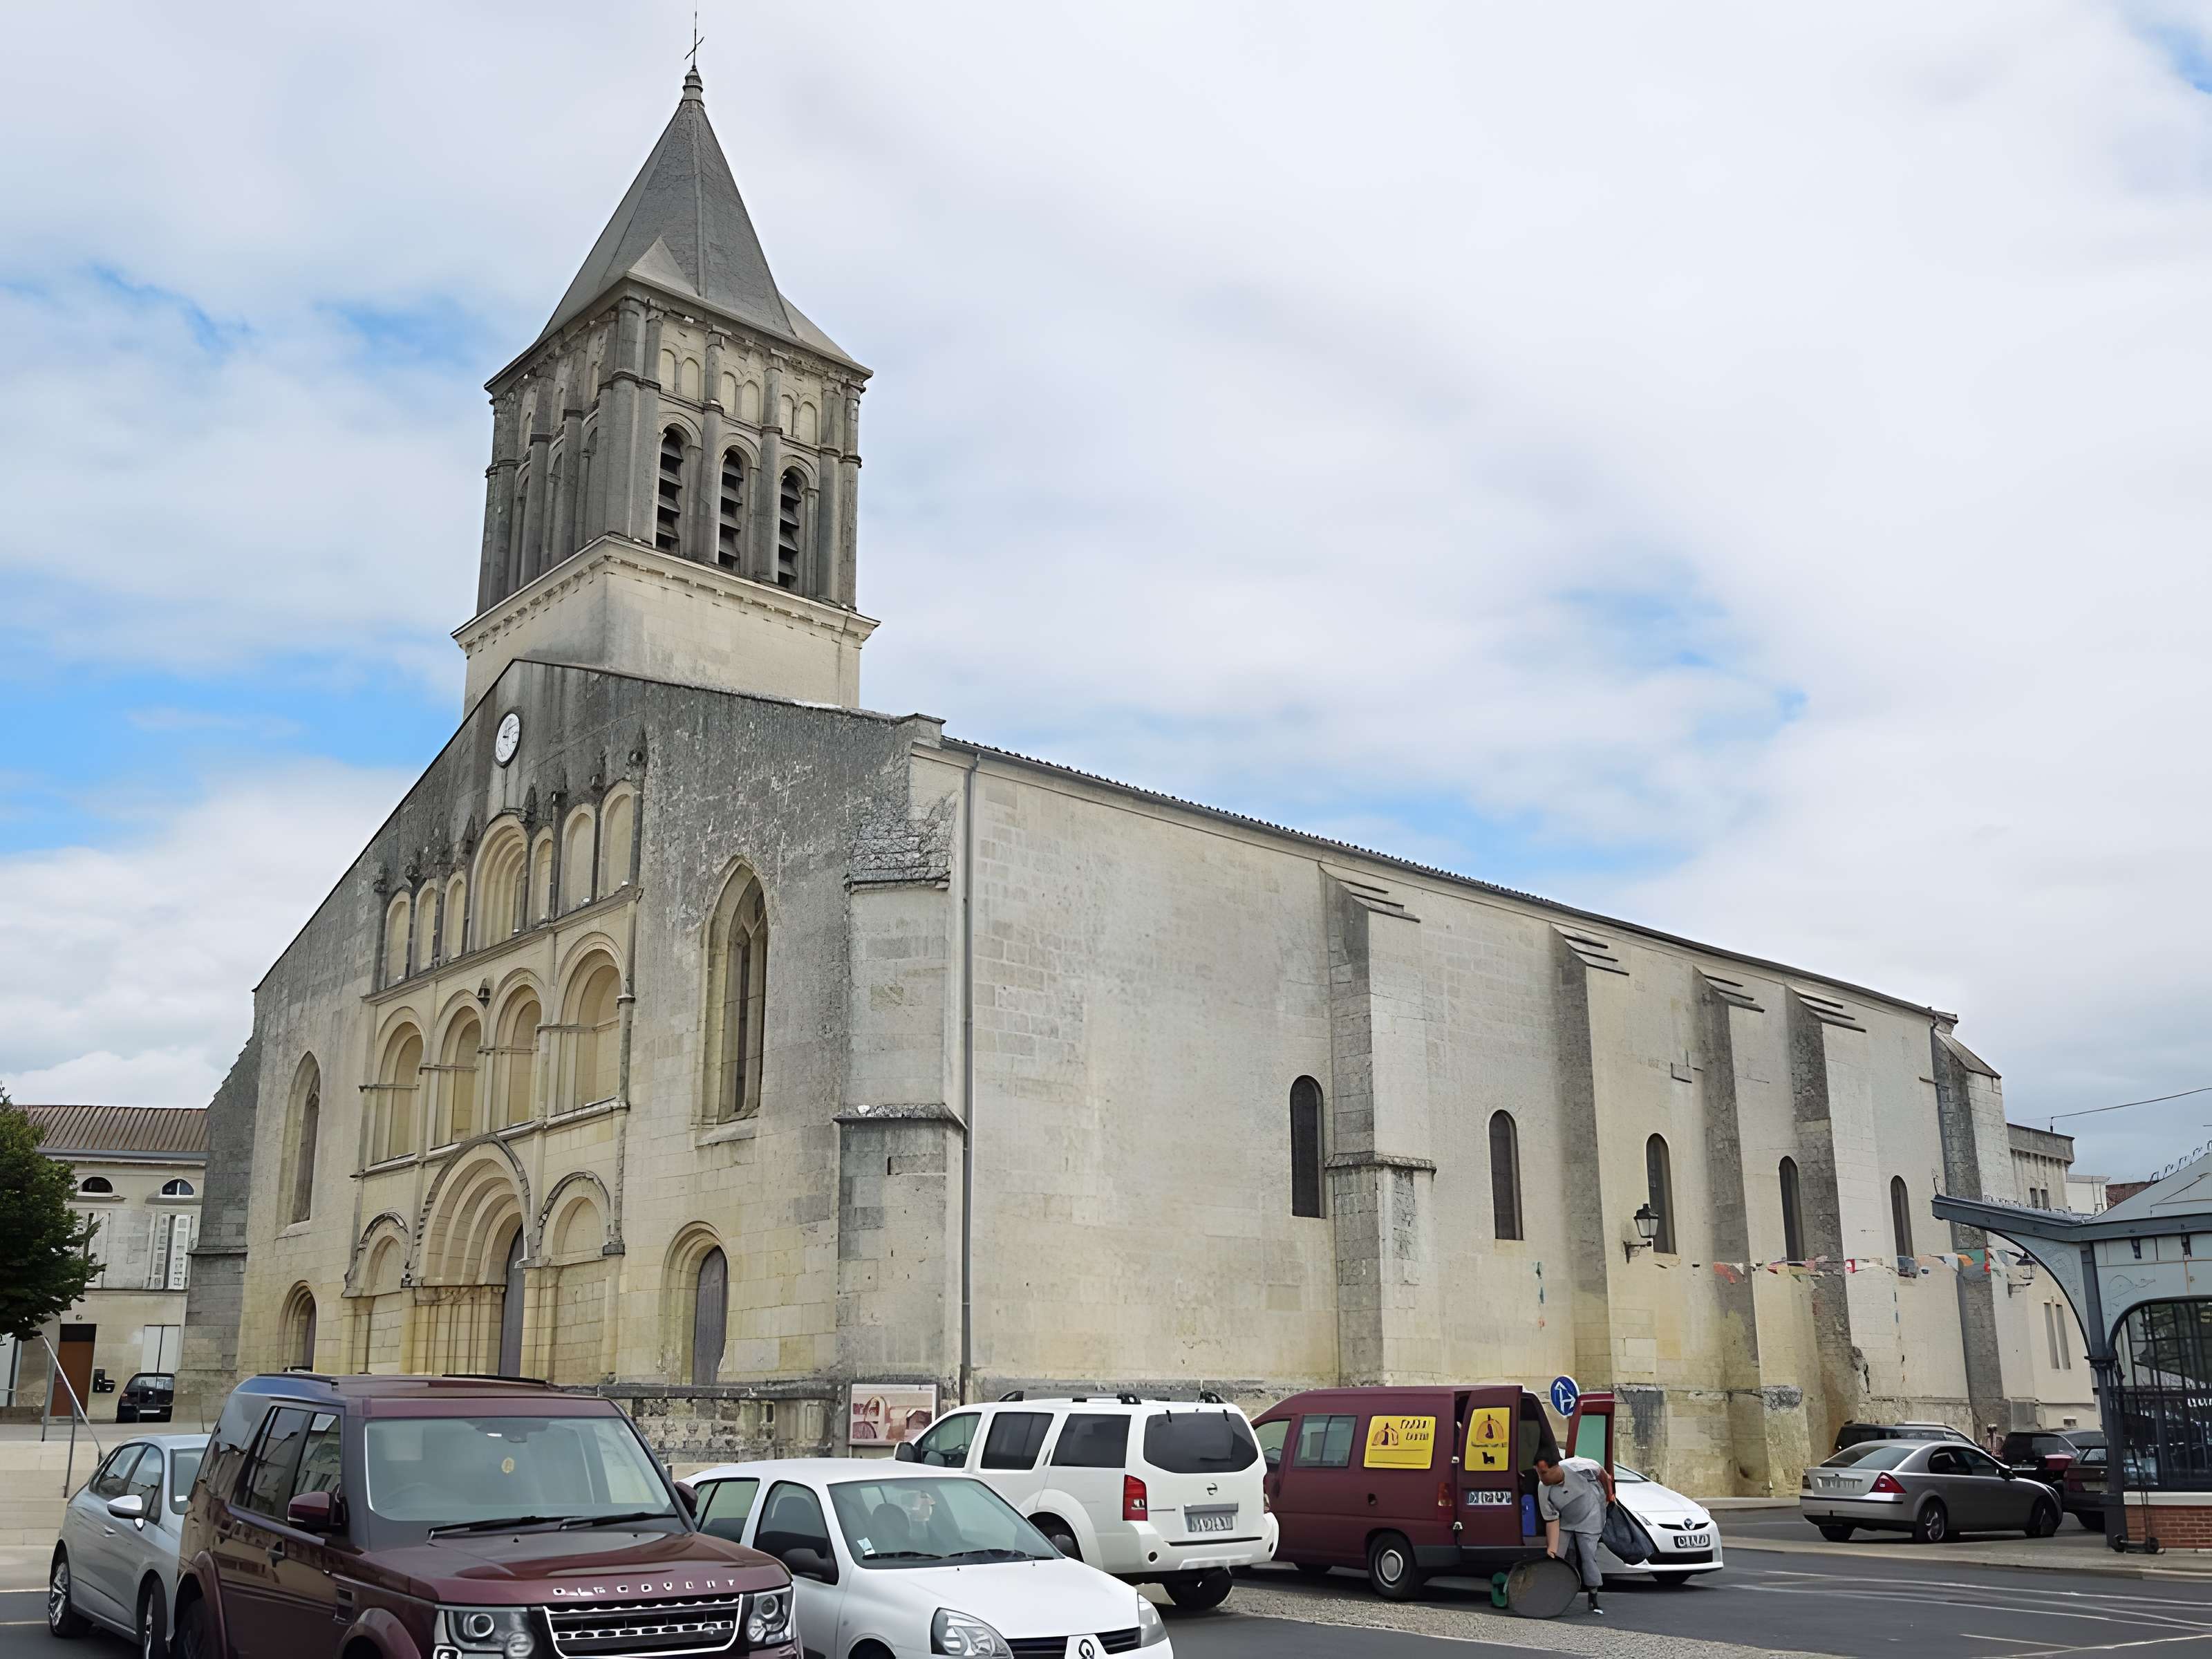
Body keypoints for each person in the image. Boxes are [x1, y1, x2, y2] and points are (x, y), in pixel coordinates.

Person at [1535, 1447, 1615, 1615]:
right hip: (1566, 1520)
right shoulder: (1543, 1488)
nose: (1541, 1477)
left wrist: (1609, 1494)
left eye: (1544, 1472)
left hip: (1591, 1515)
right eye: (1538, 1473)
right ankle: (1552, 1596)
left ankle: (1593, 1596)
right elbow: (1551, 1520)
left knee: (1588, 1556)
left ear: (1556, 1467)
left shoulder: (1579, 1467)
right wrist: (1552, 1548)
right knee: (1556, 1557)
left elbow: (1603, 1474)